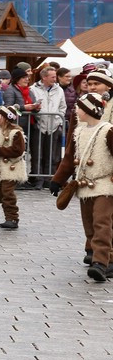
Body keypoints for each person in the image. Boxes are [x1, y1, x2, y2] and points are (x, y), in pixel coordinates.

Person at [49, 93, 113, 283]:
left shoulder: (108, 131)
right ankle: (102, 258)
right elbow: (69, 158)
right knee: (89, 223)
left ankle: (100, 263)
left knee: (102, 222)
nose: (75, 111)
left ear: (88, 110)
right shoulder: (78, 132)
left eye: (78, 107)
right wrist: (58, 180)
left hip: (105, 184)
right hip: (84, 184)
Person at [0, 104, 27, 229]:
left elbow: (18, 150)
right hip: (0, 167)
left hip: (11, 167)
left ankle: (12, 218)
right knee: (2, 194)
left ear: (5, 118)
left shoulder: (16, 133)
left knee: (7, 193)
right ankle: (8, 217)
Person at [29, 65, 67, 186]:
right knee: (37, 154)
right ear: (44, 77)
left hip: (54, 125)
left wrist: (58, 119)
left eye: (55, 77)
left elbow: (62, 106)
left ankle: (48, 179)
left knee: (51, 155)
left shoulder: (59, 90)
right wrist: (37, 116)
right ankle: (38, 178)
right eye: (52, 77)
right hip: (39, 124)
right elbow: (31, 105)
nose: (55, 79)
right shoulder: (33, 89)